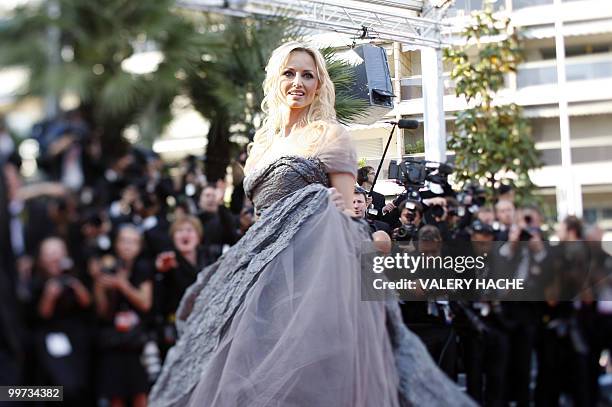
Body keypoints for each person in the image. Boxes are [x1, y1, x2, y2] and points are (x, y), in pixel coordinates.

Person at [150, 41, 474, 407]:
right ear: (276, 79)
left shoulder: (331, 136)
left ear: (320, 83)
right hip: (260, 273)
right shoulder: (261, 145)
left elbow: (349, 216)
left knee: (305, 380)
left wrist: (330, 210)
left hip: (311, 275)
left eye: (308, 74)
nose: (298, 82)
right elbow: (256, 215)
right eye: (289, 73)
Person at [93, 225, 153, 407]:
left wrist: (122, 285)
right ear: (116, 244)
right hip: (113, 341)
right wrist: (101, 288)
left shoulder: (143, 268)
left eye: (133, 242)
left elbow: (145, 303)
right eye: (124, 241)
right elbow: (101, 312)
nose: (128, 246)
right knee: (115, 397)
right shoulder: (107, 267)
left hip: (136, 343)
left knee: (141, 396)